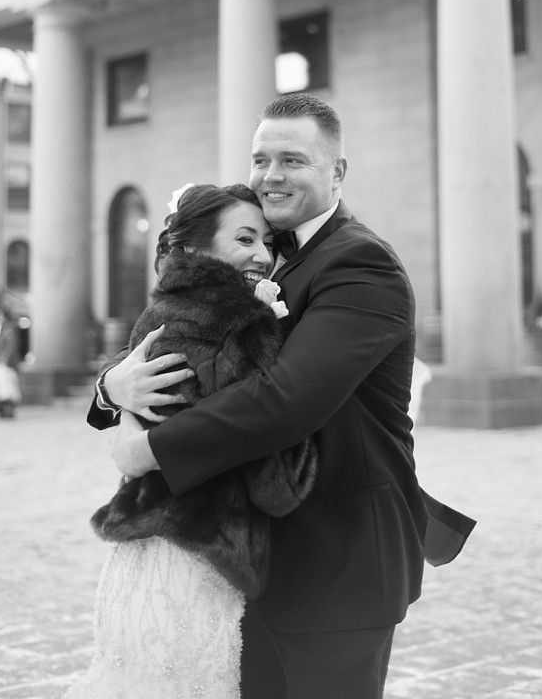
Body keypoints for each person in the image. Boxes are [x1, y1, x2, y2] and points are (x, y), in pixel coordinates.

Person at [90, 93, 475, 699]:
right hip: (262, 560)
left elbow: (289, 399)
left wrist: (151, 450)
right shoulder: (261, 258)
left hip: (338, 557)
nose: (271, 175)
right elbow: (186, 331)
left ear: (337, 173)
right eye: (261, 158)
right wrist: (111, 387)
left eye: (292, 160)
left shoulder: (360, 263)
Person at [71, 183, 317, 699]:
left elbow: (140, 390)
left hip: (139, 552)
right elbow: (276, 481)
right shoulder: (244, 327)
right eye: (245, 239)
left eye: (268, 243)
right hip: (205, 555)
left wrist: (114, 395)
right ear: (196, 248)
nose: (262, 255)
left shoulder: (159, 313)